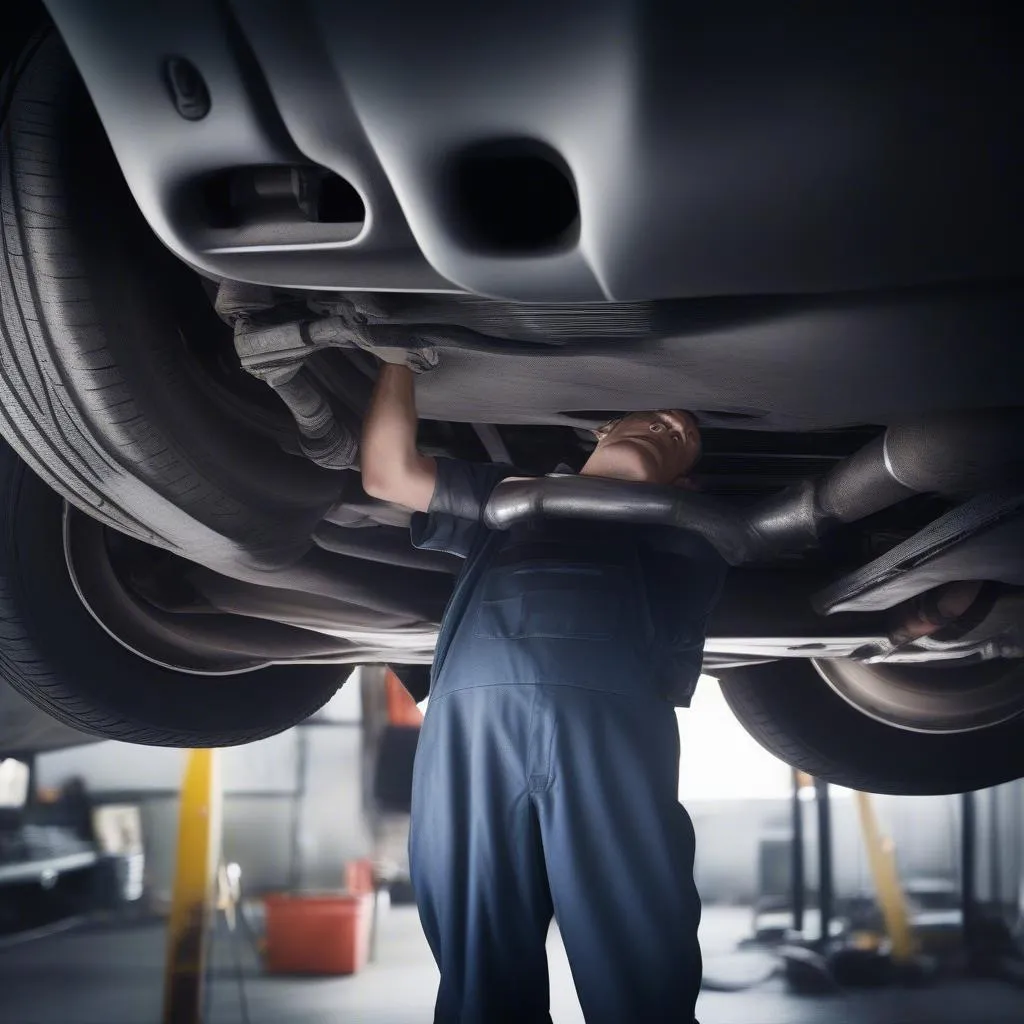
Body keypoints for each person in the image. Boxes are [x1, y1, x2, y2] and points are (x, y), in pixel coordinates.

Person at [361, 355, 726, 1024]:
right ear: (603, 428)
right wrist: (396, 357)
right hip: (477, 737)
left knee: (643, 965)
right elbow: (388, 472)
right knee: (479, 974)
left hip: (606, 737)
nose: (673, 422)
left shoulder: (685, 533)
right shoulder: (506, 493)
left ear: (687, 478)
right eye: (656, 418)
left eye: (683, 437)